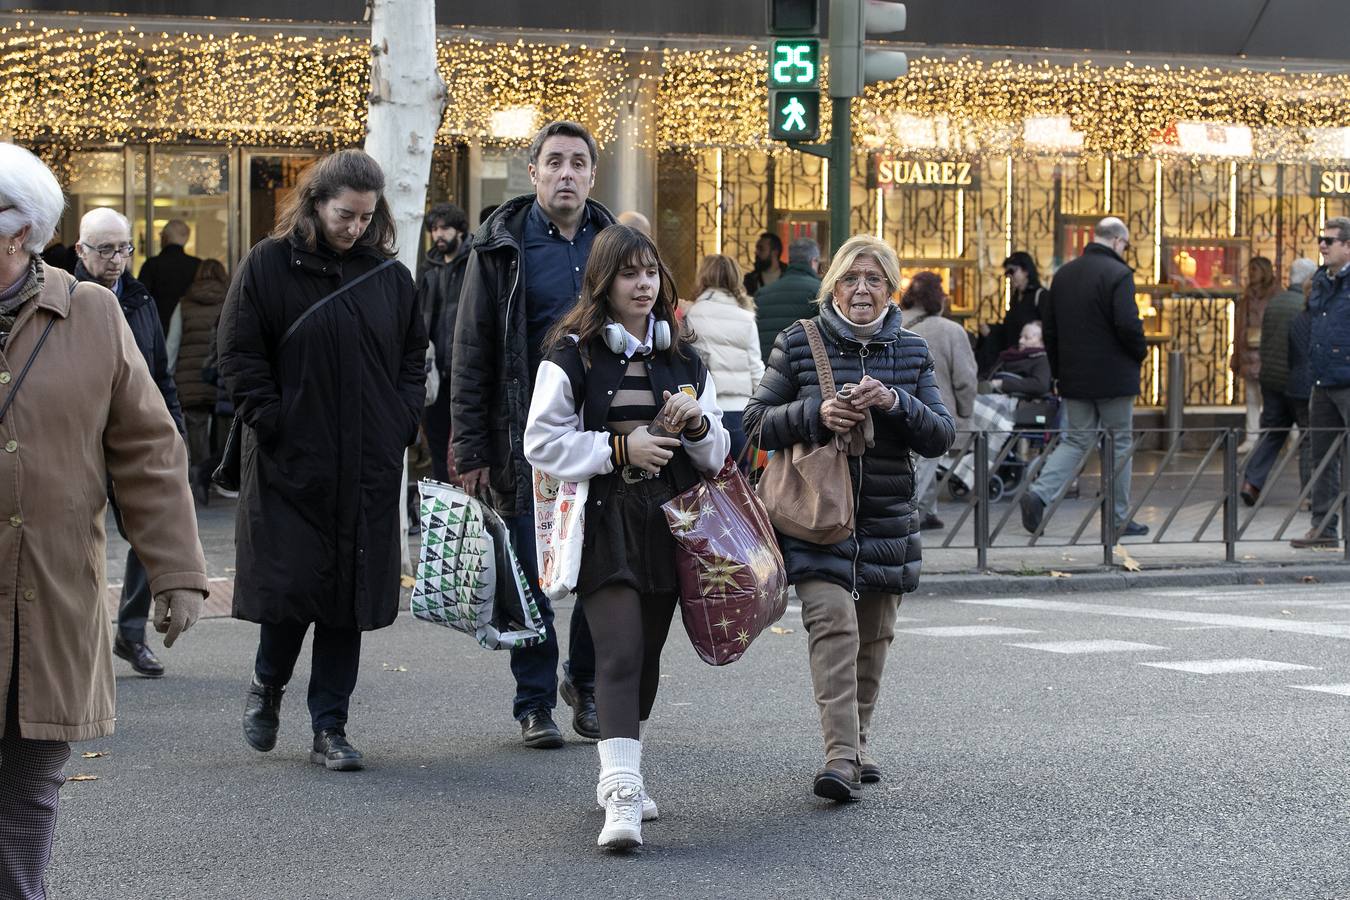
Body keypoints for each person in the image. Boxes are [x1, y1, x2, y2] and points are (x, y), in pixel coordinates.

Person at [0, 142, 207, 900]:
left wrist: (179, 573)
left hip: (49, 597)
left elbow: (147, 448)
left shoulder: (87, 312)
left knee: (28, 792)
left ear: (18, 231)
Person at [219, 149, 427, 770]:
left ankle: (330, 727)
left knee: (348, 600)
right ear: (316, 204)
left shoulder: (389, 278)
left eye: (366, 218)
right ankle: (268, 687)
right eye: (345, 215)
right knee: (292, 592)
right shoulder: (268, 266)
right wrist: (276, 421)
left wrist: (398, 425)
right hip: (291, 462)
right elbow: (239, 357)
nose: (355, 228)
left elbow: (413, 360)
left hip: (366, 464)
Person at [524, 225, 729, 850]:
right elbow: (540, 441)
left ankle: (624, 768)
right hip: (603, 519)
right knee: (616, 652)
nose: (643, 285)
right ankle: (620, 794)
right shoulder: (573, 353)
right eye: (629, 274)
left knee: (645, 661)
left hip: (671, 521)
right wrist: (619, 447)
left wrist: (696, 427)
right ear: (604, 283)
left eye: (651, 273)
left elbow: (719, 452)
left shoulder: (686, 358)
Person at [745, 234, 955, 802]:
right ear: (832, 284)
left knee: (874, 635)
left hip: (886, 520)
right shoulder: (797, 342)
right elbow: (755, 424)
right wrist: (818, 413)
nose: (862, 289)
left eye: (875, 279)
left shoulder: (911, 351)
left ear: (891, 289)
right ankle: (839, 757)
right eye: (851, 278)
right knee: (833, 625)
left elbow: (941, 434)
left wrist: (894, 403)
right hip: (814, 515)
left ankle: (856, 742)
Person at [452, 121, 612, 747]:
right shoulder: (501, 247)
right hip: (524, 438)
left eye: (578, 163)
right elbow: (472, 351)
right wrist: (470, 447)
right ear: (535, 172)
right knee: (533, 577)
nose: (566, 173)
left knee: (603, 569)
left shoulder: (613, 242)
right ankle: (534, 701)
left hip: (603, 440)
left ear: (592, 175)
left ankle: (588, 683)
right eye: (555, 162)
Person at [75, 208, 186, 680]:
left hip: (133, 439)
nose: (117, 258)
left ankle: (131, 632)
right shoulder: (66, 297)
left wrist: (175, 434)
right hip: (80, 440)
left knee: (147, 533)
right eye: (105, 249)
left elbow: (161, 376)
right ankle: (82, 640)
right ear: (81, 251)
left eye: (124, 248)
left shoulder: (141, 299)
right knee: (77, 544)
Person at [1020, 217, 1148, 538]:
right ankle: (1117, 520)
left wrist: (1059, 372)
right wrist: (1139, 354)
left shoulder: (1063, 276)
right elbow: (1128, 325)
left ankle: (1039, 494)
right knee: (1119, 442)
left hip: (1074, 377)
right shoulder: (1119, 275)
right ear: (1118, 241)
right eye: (1126, 245)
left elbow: (1049, 330)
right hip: (1115, 377)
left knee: (1077, 439)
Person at [899, 271, 976, 531]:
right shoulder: (952, 331)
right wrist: (965, 410)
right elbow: (965, 378)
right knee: (927, 459)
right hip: (935, 411)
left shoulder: (892, 323)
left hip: (896, 407)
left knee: (917, 459)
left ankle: (929, 511)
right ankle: (910, 512)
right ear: (939, 299)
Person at [1292, 218, 1350, 549]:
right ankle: (1324, 528)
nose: (1323, 246)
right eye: (1321, 240)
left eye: (1329, 240)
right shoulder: (1322, 280)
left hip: (1346, 380)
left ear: (1348, 246)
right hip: (1323, 380)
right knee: (1322, 455)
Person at [1241, 257, 1318, 505]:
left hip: (1271, 380)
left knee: (1272, 433)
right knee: (1308, 437)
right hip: (1296, 382)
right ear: (1308, 280)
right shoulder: (1305, 306)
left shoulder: (1275, 302)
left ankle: (1251, 483)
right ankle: (1310, 493)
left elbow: (1266, 341)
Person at [683, 253, 764, 462]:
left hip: (703, 412)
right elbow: (756, 369)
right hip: (740, 411)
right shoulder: (746, 318)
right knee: (737, 486)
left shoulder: (691, 315)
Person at [166, 259, 230, 504]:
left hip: (190, 377)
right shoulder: (230, 300)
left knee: (197, 428)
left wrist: (168, 375)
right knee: (226, 428)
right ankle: (220, 476)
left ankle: (199, 476)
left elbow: (172, 344)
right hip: (222, 378)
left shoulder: (184, 305)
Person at [417, 201, 471, 483]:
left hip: (465, 369)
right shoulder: (429, 269)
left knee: (467, 446)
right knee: (437, 442)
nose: (439, 235)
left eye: (445, 228)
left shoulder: (474, 263)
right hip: (434, 372)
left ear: (459, 230)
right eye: (434, 229)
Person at [1234, 256, 1278, 453]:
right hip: (1248, 353)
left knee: (1269, 398)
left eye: (1255, 270)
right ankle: (1252, 437)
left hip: (1267, 354)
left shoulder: (1275, 295)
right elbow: (1239, 329)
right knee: (1252, 397)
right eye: (1250, 269)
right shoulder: (1246, 298)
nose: (1251, 274)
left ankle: (1273, 437)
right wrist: (1236, 355)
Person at [753, 236, 822, 364]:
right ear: (813, 261)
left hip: (768, 370)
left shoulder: (762, 294)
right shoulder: (820, 292)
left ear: (790, 260)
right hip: (804, 371)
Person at [977, 251, 1046, 376]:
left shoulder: (1040, 296)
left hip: (1031, 363)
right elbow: (1009, 328)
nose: (1009, 276)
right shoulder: (1015, 297)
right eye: (1007, 273)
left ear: (1026, 271)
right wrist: (990, 330)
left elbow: (1046, 330)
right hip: (1014, 358)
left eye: (1012, 271)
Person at [138, 219, 201, 332]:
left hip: (157, 327)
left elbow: (140, 299)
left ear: (165, 238)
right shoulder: (197, 265)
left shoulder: (152, 265)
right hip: (189, 328)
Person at [986, 321, 1053, 398]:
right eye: (1021, 337)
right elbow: (988, 375)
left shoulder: (1042, 359)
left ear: (1042, 343)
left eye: (1027, 338)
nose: (1020, 341)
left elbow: (1041, 385)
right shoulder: (1007, 355)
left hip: (1020, 403)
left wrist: (1002, 384)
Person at [743, 231, 784, 296]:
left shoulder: (790, 276)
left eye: (761, 249)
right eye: (756, 248)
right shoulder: (749, 280)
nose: (756, 252)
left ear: (775, 252)